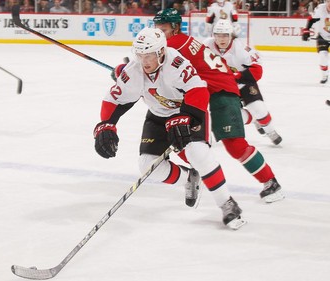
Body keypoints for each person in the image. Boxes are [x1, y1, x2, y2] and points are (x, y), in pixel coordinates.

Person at [95, 27, 246, 230]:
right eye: (140, 55)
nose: (144, 60)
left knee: (198, 153)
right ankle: (188, 178)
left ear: (161, 52)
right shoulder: (134, 70)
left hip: (187, 112)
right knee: (148, 165)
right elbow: (113, 99)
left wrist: (186, 117)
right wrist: (106, 125)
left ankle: (227, 203)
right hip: (158, 117)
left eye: (149, 55)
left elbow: (198, 89)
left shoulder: (176, 64)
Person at [204, 19, 283, 146]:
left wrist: (237, 76)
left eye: (225, 35)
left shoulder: (240, 48)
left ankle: (270, 130)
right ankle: (254, 120)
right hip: (224, 88)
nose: (221, 39)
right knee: (232, 116)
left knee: (260, 110)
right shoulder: (207, 46)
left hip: (243, 83)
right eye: (218, 35)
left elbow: (257, 70)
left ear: (231, 35)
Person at [302, 0, 330, 84]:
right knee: (323, 56)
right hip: (323, 36)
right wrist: (306, 31)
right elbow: (311, 19)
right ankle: (324, 74)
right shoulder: (320, 8)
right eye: (328, 1)